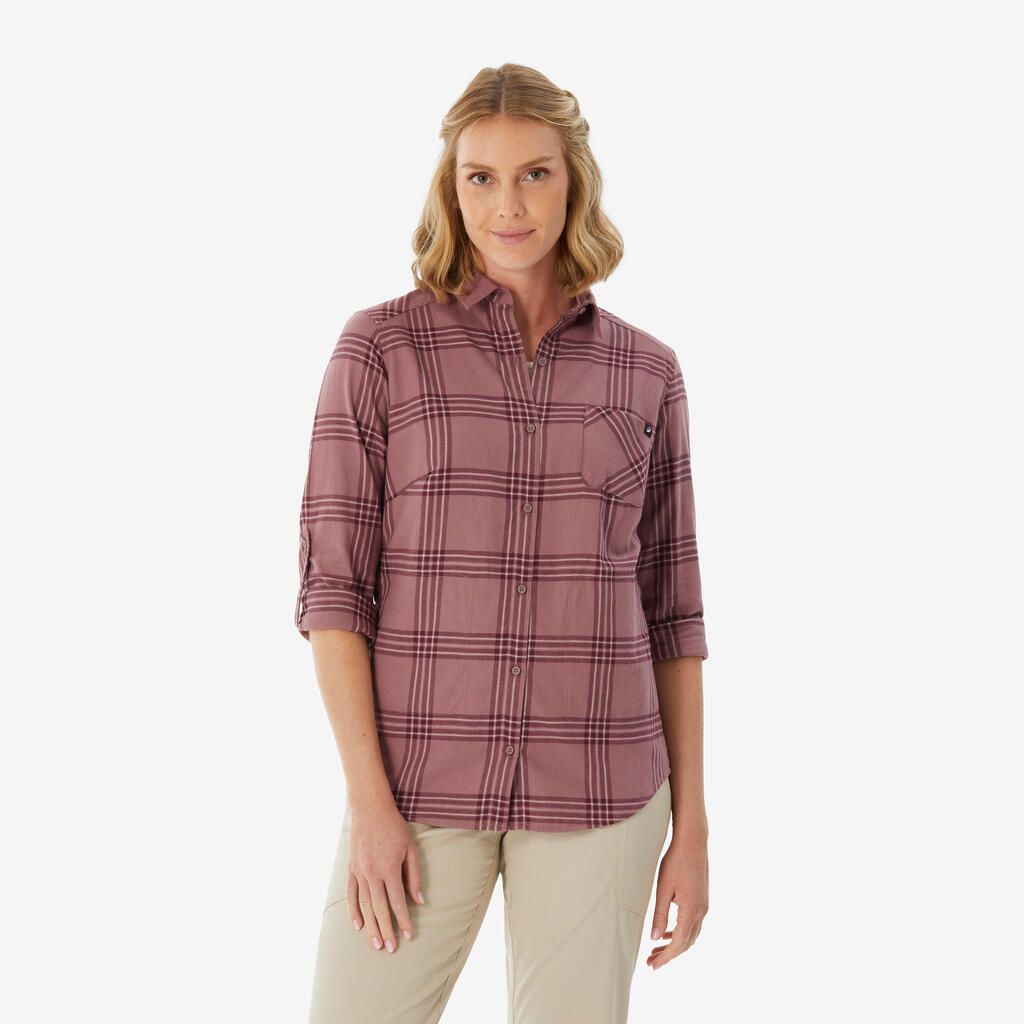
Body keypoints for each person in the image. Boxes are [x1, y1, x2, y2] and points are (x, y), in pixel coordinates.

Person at [295, 63, 710, 1024]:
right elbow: (334, 594)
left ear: (574, 183)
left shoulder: (647, 371)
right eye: (481, 177)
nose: (508, 205)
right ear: (452, 189)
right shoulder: (379, 350)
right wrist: (370, 807)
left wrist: (691, 827)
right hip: (418, 783)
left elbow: (673, 612)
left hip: (602, 783)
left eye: (535, 174)